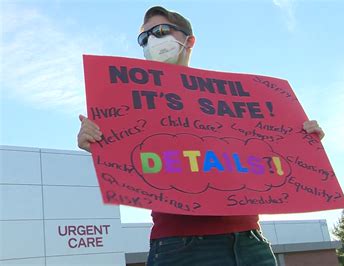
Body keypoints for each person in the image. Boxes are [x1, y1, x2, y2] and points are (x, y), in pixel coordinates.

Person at [77, 6, 325, 266]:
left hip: (251, 242)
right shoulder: (128, 102)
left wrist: (302, 140)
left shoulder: (234, 98)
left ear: (189, 40)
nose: (152, 41)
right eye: (144, 38)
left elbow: (262, 151)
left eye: (160, 31)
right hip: (181, 246)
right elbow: (132, 156)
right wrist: (98, 143)